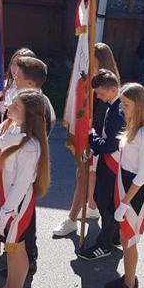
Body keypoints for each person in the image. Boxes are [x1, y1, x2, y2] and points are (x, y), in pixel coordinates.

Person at [0, 89, 51, 288]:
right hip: (6, 197)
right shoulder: (8, 127)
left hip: (17, 203)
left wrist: (7, 211)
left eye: (16, 106)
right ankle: (9, 286)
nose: (9, 107)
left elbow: (22, 184)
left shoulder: (30, 146)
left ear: (29, 115)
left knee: (16, 246)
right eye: (12, 103)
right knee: (11, 245)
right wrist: (4, 140)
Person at [53, 43, 120, 237]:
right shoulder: (91, 87)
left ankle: (72, 219)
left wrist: (90, 135)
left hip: (100, 144)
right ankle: (91, 207)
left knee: (85, 177)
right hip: (93, 141)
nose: (87, 65)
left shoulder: (109, 90)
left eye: (92, 62)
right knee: (85, 176)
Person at [104, 83, 144, 288]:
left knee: (129, 238)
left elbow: (142, 175)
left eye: (126, 105)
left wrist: (125, 203)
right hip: (123, 182)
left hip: (134, 190)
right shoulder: (132, 126)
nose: (121, 109)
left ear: (139, 105)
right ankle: (128, 277)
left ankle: (130, 286)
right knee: (124, 237)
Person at [1, 55, 55, 274]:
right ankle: (12, 255)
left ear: (31, 84)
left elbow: (34, 142)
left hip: (23, 176)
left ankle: (26, 259)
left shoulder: (38, 107)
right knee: (13, 220)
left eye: (18, 76)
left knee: (23, 221)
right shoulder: (23, 99)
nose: (14, 77)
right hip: (10, 172)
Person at [78, 69, 125, 260]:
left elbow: (110, 145)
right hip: (109, 162)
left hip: (113, 163)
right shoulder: (113, 106)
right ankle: (114, 235)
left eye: (101, 93)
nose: (98, 96)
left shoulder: (118, 111)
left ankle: (104, 244)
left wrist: (90, 135)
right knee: (101, 198)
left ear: (113, 89)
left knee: (106, 202)